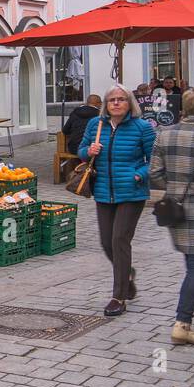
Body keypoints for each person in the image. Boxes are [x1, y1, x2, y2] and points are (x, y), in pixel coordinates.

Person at [80, 85, 156, 317]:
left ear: (129, 103)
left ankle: (118, 297)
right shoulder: (96, 125)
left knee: (119, 240)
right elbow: (81, 150)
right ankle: (128, 274)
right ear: (105, 103)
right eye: (111, 99)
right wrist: (88, 151)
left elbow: (154, 160)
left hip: (132, 192)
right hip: (104, 191)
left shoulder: (142, 128)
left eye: (121, 99)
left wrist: (139, 174)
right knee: (106, 242)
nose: (116, 103)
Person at [149, 86, 194, 345]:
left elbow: (154, 174)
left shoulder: (165, 134)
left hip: (178, 210)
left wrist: (175, 189)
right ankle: (182, 324)